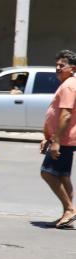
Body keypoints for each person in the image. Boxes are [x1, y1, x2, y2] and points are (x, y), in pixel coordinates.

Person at [40, 49, 76, 228]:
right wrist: (48, 137)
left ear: (72, 68)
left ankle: (70, 210)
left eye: (62, 66)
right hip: (64, 138)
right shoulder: (68, 83)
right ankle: (67, 215)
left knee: (47, 173)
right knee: (63, 176)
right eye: (57, 65)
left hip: (64, 140)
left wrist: (56, 141)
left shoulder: (69, 85)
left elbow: (66, 115)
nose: (57, 68)